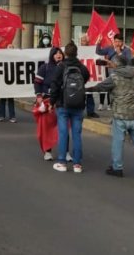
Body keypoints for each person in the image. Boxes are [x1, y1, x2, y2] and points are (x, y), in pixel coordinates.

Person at [94, 54, 134, 181]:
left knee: (118, 143)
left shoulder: (113, 77)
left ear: (115, 65)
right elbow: (124, 67)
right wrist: (111, 64)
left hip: (120, 115)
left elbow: (100, 87)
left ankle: (117, 167)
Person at [47, 42, 88, 173]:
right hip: (79, 105)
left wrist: (52, 102)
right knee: (77, 134)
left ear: (65, 53)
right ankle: (77, 164)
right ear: (76, 53)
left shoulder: (61, 67)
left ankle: (62, 162)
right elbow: (86, 78)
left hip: (63, 104)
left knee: (63, 133)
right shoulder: (82, 67)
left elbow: (54, 85)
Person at [33, 46, 63, 161]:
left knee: (63, 127)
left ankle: (65, 151)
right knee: (46, 128)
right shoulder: (44, 67)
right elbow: (37, 83)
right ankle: (47, 151)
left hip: (60, 102)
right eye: (56, 53)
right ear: (52, 55)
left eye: (60, 53)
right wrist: (39, 96)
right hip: (47, 101)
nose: (59, 55)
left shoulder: (65, 67)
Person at [0, 38, 17, 123]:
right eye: (9, 47)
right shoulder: (2, 57)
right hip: (3, 80)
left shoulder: (16, 58)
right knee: (2, 99)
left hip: (11, 81)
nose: (11, 48)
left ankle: (12, 116)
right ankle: (1, 115)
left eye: (12, 47)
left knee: (11, 99)